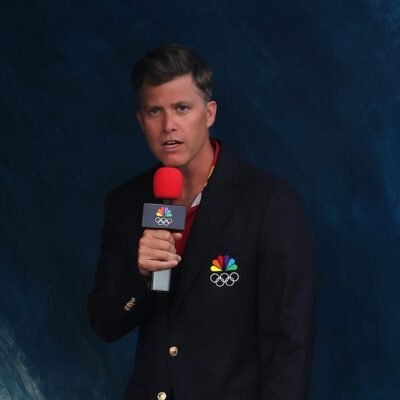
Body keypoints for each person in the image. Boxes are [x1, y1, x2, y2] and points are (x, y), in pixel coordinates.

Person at [88, 43, 316, 400]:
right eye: (155, 111)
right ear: (141, 121)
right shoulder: (126, 203)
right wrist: (141, 276)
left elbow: (289, 343)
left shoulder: (268, 203)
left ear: (209, 113)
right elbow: (105, 323)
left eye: (182, 108)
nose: (169, 126)